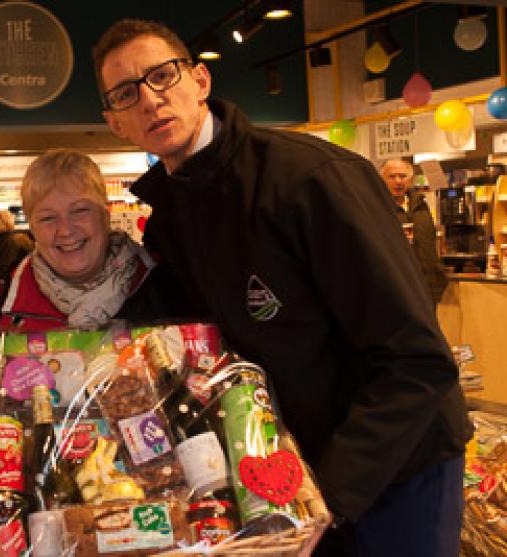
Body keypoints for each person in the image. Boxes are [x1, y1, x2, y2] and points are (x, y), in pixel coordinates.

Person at [93, 19, 470, 556]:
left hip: (397, 466)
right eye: (127, 93)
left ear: (200, 81)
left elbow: (418, 359)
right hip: (290, 474)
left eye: (162, 76)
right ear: (114, 122)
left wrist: (327, 493)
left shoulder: (312, 178)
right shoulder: (170, 218)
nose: (151, 100)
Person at [0, 148, 187, 332]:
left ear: (105, 215)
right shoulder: (7, 303)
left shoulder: (167, 289)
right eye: (47, 218)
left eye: (80, 210)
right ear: (32, 228)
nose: (65, 231)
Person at [380, 158, 448, 305]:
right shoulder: (377, 208)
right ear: (382, 180)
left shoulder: (421, 205)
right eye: (392, 176)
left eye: (402, 176)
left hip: (428, 287)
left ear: (410, 180)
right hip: (396, 289)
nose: (398, 181)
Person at [0, 209, 34, 324]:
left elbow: (4, 274)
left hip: (10, 300)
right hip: (22, 299)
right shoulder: (21, 239)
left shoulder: (6, 243)